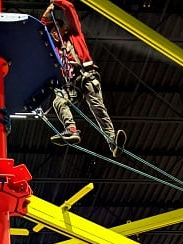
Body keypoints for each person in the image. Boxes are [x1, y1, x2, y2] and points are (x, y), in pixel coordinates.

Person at [42, 0, 125, 156]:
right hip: (71, 84)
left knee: (97, 107)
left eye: (56, 29)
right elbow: (39, 32)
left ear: (64, 28)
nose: (54, 33)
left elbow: (69, 8)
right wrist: (46, 14)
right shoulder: (55, 49)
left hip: (87, 76)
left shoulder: (75, 35)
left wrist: (56, 1)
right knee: (58, 101)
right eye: (52, 31)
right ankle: (71, 130)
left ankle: (112, 142)